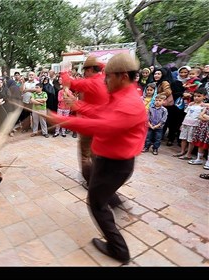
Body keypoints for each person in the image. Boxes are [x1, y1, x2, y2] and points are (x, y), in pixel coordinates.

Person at [47, 53, 146, 264]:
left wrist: (62, 120)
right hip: (106, 159)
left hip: (115, 164)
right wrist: (77, 107)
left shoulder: (130, 104)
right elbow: (101, 112)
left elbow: (101, 125)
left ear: (123, 76)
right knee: (96, 183)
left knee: (96, 203)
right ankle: (116, 203)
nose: (104, 81)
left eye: (108, 77)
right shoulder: (120, 96)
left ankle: (119, 250)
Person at [60, 55, 109, 189]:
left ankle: (90, 181)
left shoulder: (92, 82)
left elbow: (68, 82)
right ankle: (100, 178)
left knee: (85, 155)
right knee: (96, 153)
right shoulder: (106, 80)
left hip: (89, 124)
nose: (84, 73)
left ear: (89, 70)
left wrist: (65, 70)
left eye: (85, 70)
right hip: (103, 125)